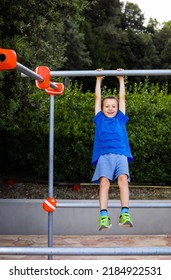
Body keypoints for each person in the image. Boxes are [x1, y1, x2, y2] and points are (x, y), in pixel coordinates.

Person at [92, 69, 134, 231]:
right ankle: (104, 216)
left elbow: (122, 98)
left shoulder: (120, 118)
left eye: (113, 106)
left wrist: (121, 79)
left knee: (123, 180)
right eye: (107, 106)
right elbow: (97, 98)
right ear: (102, 108)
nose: (110, 108)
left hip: (121, 155)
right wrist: (98, 80)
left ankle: (125, 213)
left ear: (117, 108)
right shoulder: (99, 119)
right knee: (104, 183)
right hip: (104, 156)